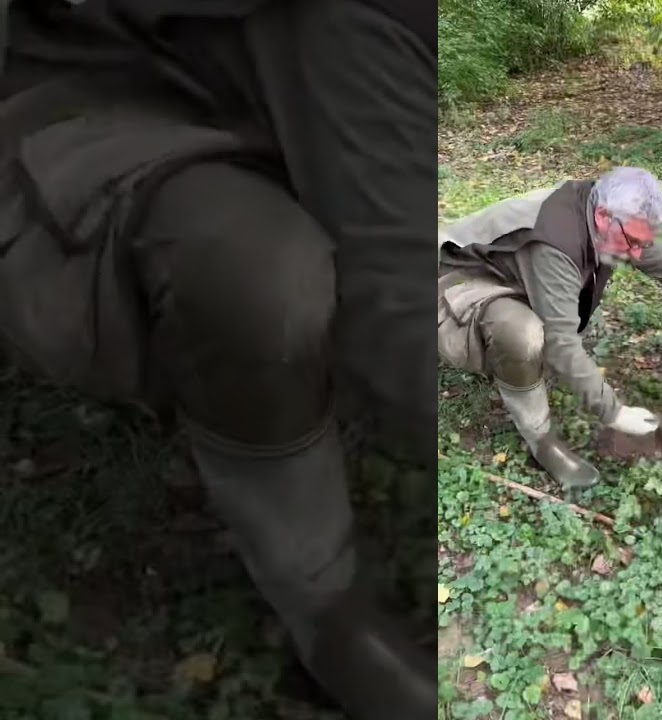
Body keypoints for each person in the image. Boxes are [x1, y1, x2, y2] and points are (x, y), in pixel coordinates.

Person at [0, 1, 436, 718]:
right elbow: (402, 320)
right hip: (86, 92)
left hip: (262, 81)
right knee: (258, 279)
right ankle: (323, 605)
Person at [437, 167, 662, 489]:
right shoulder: (555, 243)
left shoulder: (608, 209)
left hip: (507, 276)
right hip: (455, 285)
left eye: (642, 243)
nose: (637, 254)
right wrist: (614, 412)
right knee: (523, 335)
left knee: (539, 328)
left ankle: (507, 358)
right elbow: (561, 344)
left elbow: (660, 259)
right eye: (633, 242)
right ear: (603, 217)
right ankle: (543, 442)